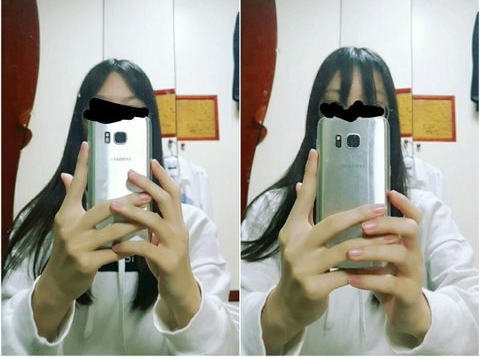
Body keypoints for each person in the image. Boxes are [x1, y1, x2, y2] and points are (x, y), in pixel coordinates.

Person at [241, 47, 478, 355]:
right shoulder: (272, 209)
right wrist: (281, 312)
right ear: (315, 119)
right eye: (333, 107)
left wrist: (421, 314)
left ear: (389, 120)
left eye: (372, 108)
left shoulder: (423, 210)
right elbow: (235, 323)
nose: (352, 119)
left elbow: (473, 308)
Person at [2, 59, 239, 355]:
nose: (115, 121)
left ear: (149, 125)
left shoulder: (190, 225)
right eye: (101, 112)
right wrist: (53, 291)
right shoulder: (41, 224)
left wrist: (186, 297)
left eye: (132, 112)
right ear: (83, 126)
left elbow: (227, 348)